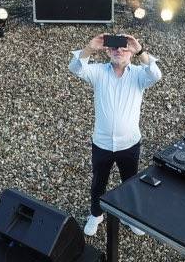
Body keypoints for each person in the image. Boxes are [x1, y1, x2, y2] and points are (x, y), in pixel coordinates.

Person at [69, 33, 162, 236]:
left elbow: (156, 75)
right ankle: (96, 214)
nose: (118, 51)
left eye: (124, 47)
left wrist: (141, 51)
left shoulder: (139, 74)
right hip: (101, 143)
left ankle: (130, 217)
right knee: (98, 182)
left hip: (129, 143)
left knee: (130, 183)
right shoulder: (98, 72)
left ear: (131, 52)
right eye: (114, 47)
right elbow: (75, 68)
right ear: (108, 52)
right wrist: (89, 48)